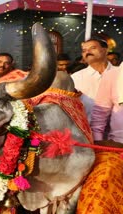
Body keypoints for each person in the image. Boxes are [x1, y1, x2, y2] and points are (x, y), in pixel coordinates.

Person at [77, 63, 123, 213]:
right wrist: (97, 144)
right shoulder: (114, 75)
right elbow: (99, 115)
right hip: (116, 147)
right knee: (102, 180)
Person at [71, 38, 116, 122]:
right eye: (84, 50)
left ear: (105, 50)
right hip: (88, 130)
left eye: (92, 48)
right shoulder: (76, 78)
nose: (87, 52)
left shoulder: (119, 73)